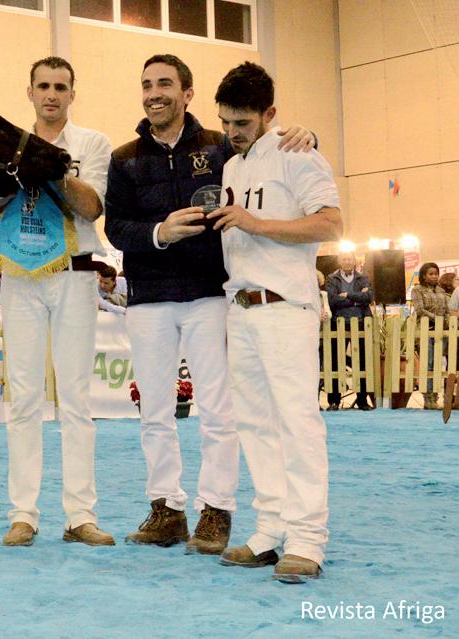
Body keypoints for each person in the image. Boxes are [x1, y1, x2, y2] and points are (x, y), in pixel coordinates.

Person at [104, 54, 317, 555]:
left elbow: (267, 148)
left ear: (187, 93)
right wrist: (159, 232)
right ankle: (166, 507)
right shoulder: (124, 158)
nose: (154, 93)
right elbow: (114, 228)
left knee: (219, 410)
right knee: (154, 411)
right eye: (146, 85)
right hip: (149, 297)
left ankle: (217, 509)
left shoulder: (221, 145)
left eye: (164, 84)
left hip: (210, 294)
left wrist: (309, 136)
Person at [207, 62, 342, 583]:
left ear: (270, 114)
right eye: (225, 122)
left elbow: (331, 223)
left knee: (297, 422)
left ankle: (307, 538)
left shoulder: (298, 153)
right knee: (255, 423)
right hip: (241, 307)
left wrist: (256, 223)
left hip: (286, 306)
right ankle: (269, 528)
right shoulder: (231, 167)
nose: (232, 132)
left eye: (242, 122)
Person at [0, 56, 114, 547]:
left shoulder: (92, 144)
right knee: (23, 396)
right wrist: (4, 189)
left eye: (61, 87)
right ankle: (23, 514)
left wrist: (50, 168)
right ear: (30, 92)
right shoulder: (7, 148)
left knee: (76, 397)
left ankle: (80, 515)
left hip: (74, 274)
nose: (52, 95)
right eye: (44, 86)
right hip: (20, 275)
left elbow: (92, 207)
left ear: (72, 94)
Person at [324, 252, 374, 410]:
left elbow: (369, 298)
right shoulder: (331, 279)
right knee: (335, 362)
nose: (347, 261)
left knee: (362, 363)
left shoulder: (363, 277)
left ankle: (362, 400)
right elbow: (332, 300)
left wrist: (347, 295)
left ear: (354, 260)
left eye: (350, 259)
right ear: (339, 261)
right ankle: (334, 401)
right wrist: (357, 299)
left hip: (361, 323)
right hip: (338, 323)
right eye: (344, 259)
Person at [411, 262, 449, 409]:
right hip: (425, 330)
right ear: (423, 275)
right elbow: (420, 310)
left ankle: (436, 396)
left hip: (442, 331)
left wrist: (446, 321)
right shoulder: (417, 290)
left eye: (436, 274)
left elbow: (446, 309)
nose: (434, 276)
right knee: (428, 363)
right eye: (431, 274)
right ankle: (428, 398)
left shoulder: (441, 291)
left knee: (438, 363)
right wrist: (437, 319)